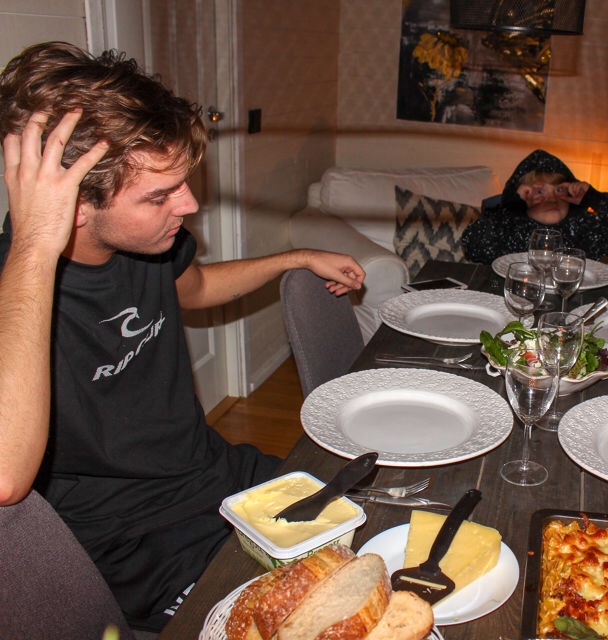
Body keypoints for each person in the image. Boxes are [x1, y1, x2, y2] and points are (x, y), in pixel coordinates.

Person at [0, 41, 365, 632]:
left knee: (375, 525)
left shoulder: (146, 243)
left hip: (217, 475)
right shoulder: (15, 288)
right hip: (136, 541)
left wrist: (294, 257)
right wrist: (37, 243)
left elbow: (193, 288)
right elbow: (6, 477)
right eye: (159, 195)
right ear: (75, 205)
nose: (189, 205)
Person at [461, 149, 608, 263]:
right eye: (539, 193)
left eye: (560, 191)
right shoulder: (509, 226)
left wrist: (594, 198)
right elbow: (473, 244)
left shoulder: (584, 227)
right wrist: (513, 206)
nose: (551, 199)